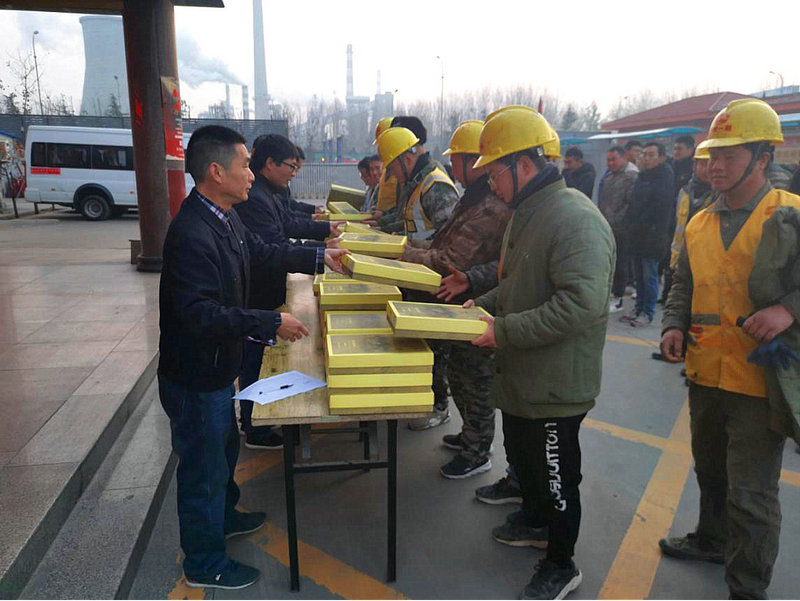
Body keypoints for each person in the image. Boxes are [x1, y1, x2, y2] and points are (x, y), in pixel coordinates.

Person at [158, 125, 347, 589]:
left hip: (217, 368)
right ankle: (205, 563)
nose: (251, 173)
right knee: (203, 470)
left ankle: (224, 517)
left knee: (222, 452)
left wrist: (320, 255)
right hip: (195, 374)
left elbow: (261, 251)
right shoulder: (192, 233)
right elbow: (198, 313)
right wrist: (268, 322)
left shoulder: (224, 216)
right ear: (216, 171)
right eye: (244, 165)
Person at [467, 107, 614, 600]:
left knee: (556, 476)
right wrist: (482, 305)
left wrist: (503, 331)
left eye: (495, 173)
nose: (491, 185)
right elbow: (516, 283)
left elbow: (580, 305)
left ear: (524, 165)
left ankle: (560, 561)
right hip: (523, 373)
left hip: (555, 383)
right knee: (525, 459)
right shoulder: (527, 213)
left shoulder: (575, 219)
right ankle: (534, 520)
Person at [659, 98, 800, 600]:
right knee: (710, 470)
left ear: (763, 158)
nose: (715, 166)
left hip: (760, 381)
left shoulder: (790, 214)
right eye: (712, 156)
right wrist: (673, 325)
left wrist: (788, 309)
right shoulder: (699, 221)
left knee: (752, 495)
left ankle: (747, 588)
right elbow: (684, 282)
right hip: (705, 373)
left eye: (729, 156)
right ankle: (711, 540)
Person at [401, 119, 512, 477]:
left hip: (476, 306)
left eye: (456, 161)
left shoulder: (491, 206)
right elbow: (442, 243)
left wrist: (402, 254)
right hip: (459, 303)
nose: (452, 168)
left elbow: (451, 260)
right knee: (460, 373)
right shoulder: (474, 199)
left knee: (475, 380)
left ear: (473, 161)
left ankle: (478, 452)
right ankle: (470, 435)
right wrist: (406, 246)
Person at [234, 134, 342, 449]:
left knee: (258, 357)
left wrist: (322, 240)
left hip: (264, 290)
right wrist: (320, 254)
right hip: (257, 294)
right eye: (291, 166)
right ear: (270, 163)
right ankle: (254, 427)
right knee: (254, 360)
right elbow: (270, 249)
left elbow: (287, 225)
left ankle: (253, 420)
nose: (294, 173)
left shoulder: (268, 192)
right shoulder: (256, 198)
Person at [620, 142, 675, 326]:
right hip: (636, 235)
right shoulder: (643, 176)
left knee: (649, 276)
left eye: (651, 155)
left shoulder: (664, 177)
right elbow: (634, 204)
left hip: (652, 237)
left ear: (661, 158)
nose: (646, 158)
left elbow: (661, 209)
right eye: (644, 154)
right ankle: (638, 308)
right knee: (639, 276)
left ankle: (647, 312)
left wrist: (654, 232)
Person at [376, 118, 458, 238]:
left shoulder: (436, 186)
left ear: (408, 160)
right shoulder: (416, 183)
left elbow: (450, 239)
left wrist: (415, 247)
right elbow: (415, 226)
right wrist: (384, 229)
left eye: (392, 168)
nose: (392, 174)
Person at [599, 145, 637, 312]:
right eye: (608, 160)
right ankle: (609, 293)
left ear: (623, 158)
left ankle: (618, 298)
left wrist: (617, 219)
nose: (610, 163)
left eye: (614, 159)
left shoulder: (631, 176)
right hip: (607, 226)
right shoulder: (609, 176)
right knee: (608, 262)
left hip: (622, 229)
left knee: (620, 263)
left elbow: (630, 204)